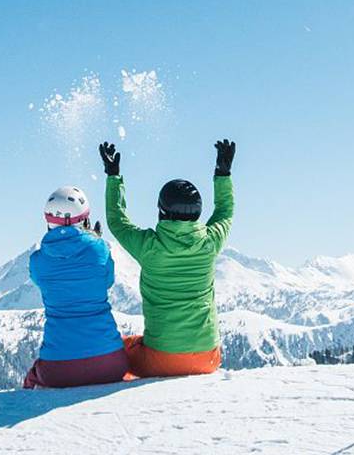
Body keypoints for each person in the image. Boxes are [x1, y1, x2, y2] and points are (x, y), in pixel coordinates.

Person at [99, 138, 235, 378]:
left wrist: (114, 176)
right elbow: (225, 212)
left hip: (161, 360)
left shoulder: (149, 247)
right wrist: (222, 174)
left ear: (161, 211)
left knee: (117, 351)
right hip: (209, 358)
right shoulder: (209, 243)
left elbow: (117, 221)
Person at [23, 185, 129, 389]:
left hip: (57, 370)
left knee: (32, 380)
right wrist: (94, 241)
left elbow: (40, 280)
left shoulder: (37, 261)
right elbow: (107, 281)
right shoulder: (100, 249)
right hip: (110, 363)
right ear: (85, 219)